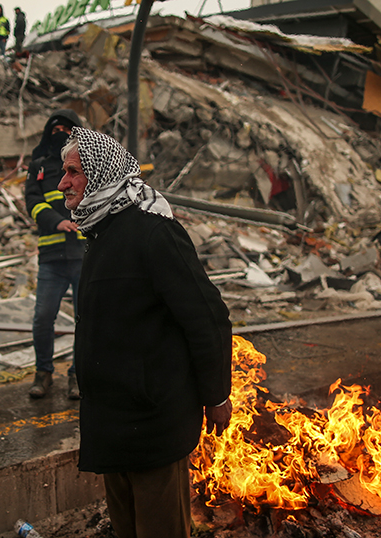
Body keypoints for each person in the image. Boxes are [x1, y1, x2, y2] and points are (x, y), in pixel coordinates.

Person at [59, 127, 232, 537]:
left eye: (72, 172)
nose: (62, 182)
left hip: (153, 424)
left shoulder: (155, 232)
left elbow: (207, 318)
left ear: (100, 175)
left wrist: (216, 395)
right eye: (63, 171)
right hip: (112, 426)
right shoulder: (101, 232)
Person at [24, 110, 84, 399]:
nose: (60, 131)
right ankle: (43, 373)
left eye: (67, 128)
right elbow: (32, 202)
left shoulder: (86, 165)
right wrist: (56, 221)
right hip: (51, 255)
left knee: (85, 319)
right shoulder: (38, 166)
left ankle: (77, 376)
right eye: (55, 127)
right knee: (43, 317)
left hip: (83, 254)